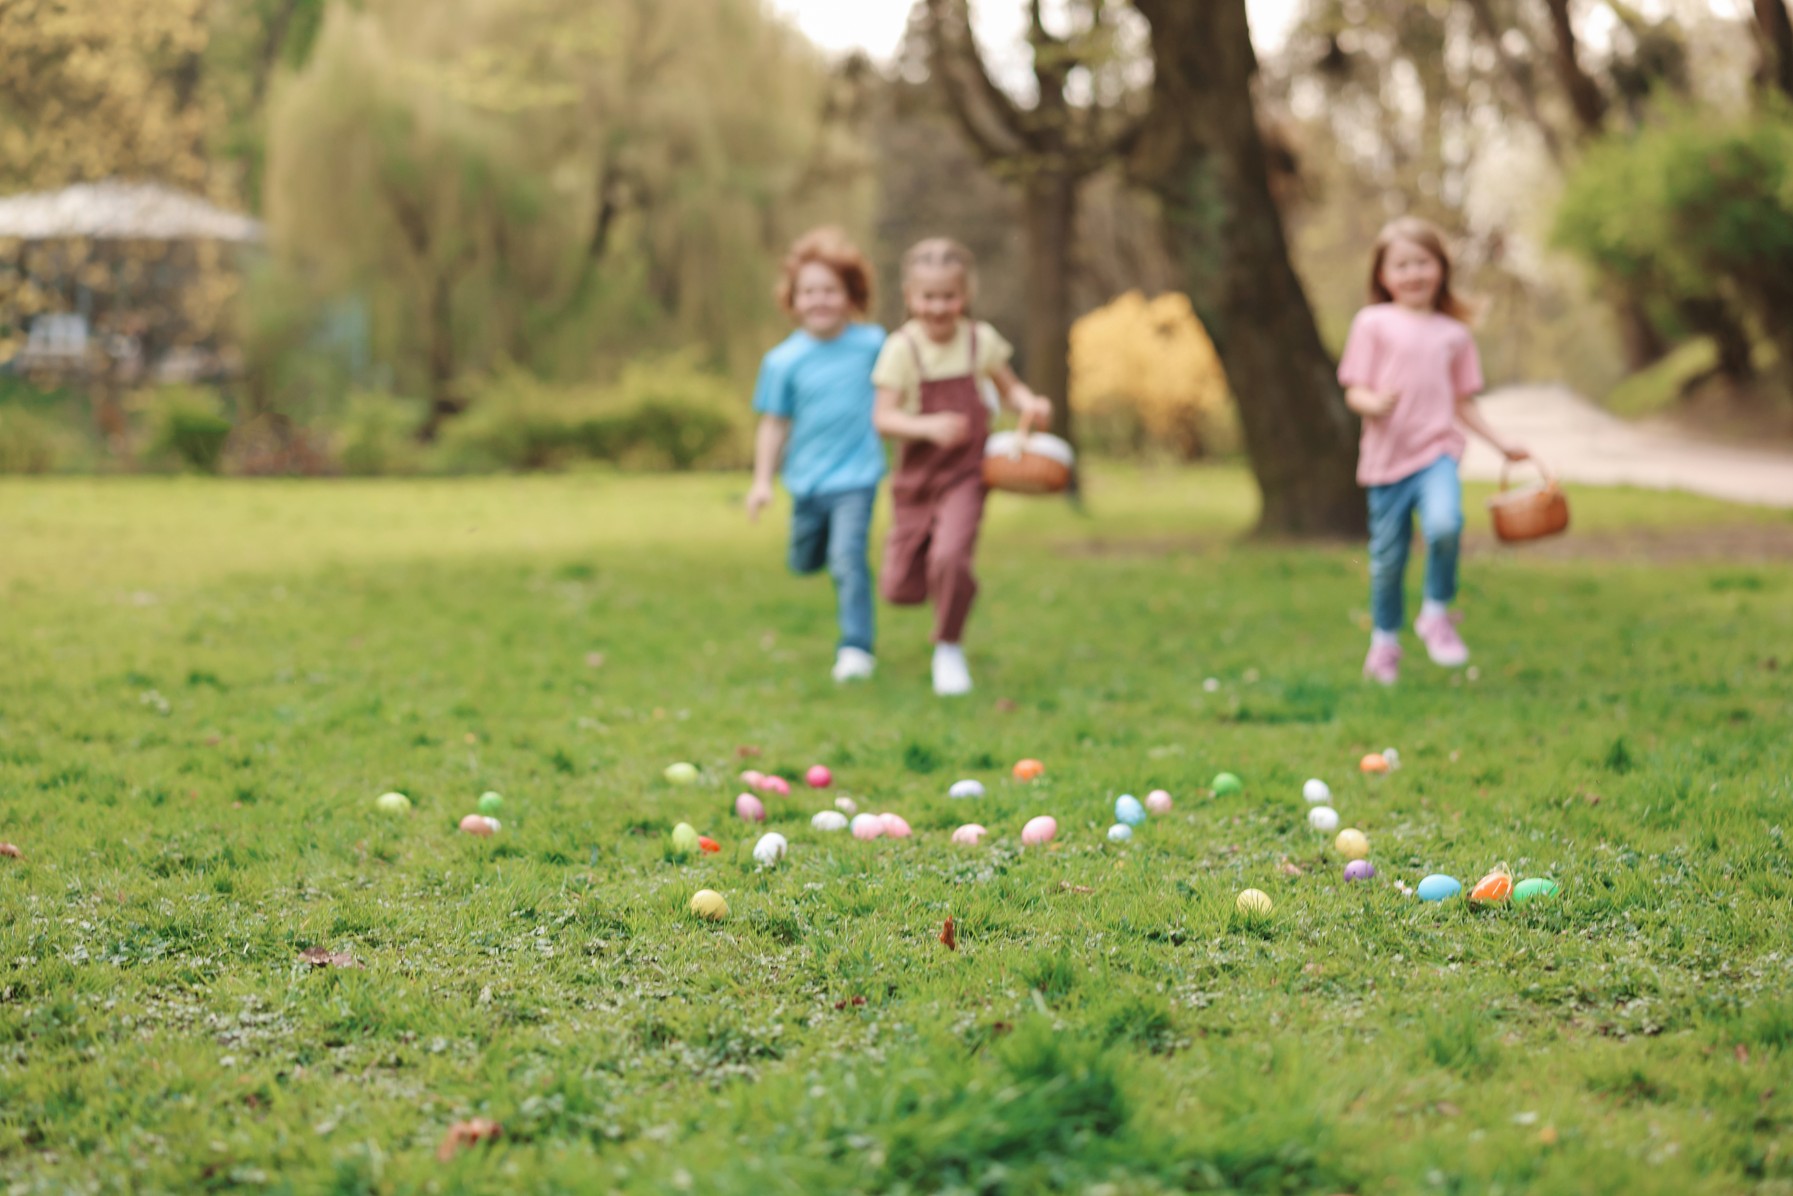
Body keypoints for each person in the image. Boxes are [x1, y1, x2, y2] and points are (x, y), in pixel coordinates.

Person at [1339, 216, 1529, 685]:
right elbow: (1353, 389)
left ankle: (1435, 613)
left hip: (1436, 453)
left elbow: (1463, 402)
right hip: (1386, 462)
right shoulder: (1372, 323)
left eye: (1422, 262)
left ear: (1440, 268)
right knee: (1387, 561)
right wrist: (1372, 403)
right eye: (1401, 265)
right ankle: (1385, 643)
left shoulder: (1454, 335)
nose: (1413, 273)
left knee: (1446, 525)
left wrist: (1503, 445)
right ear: (1383, 275)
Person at [869, 237, 1052, 697]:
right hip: (915, 479)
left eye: (948, 296)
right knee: (898, 588)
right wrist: (927, 427)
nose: (937, 307)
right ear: (910, 296)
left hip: (967, 474)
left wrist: (1031, 403)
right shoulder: (900, 349)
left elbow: (1010, 389)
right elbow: (883, 417)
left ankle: (948, 645)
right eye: (927, 297)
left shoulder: (980, 341)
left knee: (950, 557)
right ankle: (948, 586)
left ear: (964, 295)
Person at [747, 228, 887, 683]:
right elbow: (774, 423)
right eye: (808, 291)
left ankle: (856, 649)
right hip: (806, 481)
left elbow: (900, 394)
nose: (819, 300)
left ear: (851, 295)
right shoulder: (783, 361)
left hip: (857, 476)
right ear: (793, 299)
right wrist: (763, 481)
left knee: (848, 557)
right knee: (806, 560)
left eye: (830, 290)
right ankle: (818, 550)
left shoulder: (873, 345)